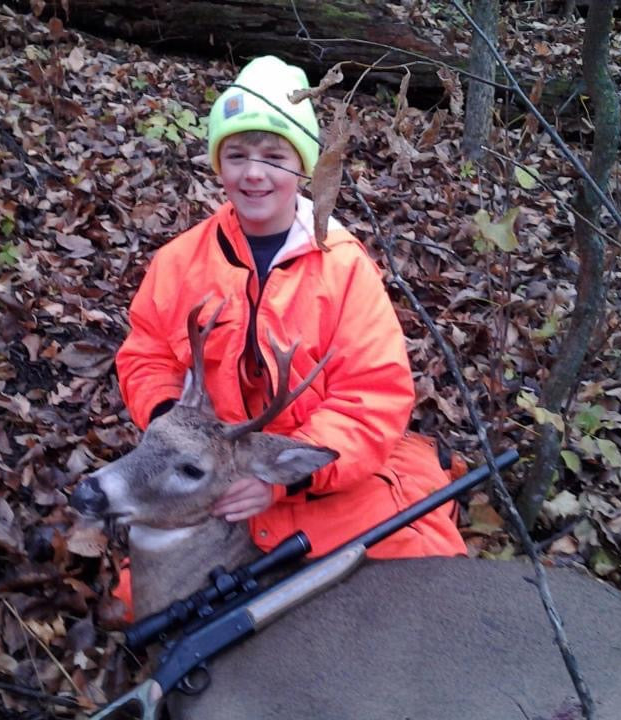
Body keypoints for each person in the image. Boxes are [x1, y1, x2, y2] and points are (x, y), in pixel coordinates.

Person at [115, 55, 466, 567]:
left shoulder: (345, 269)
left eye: (275, 156)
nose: (254, 173)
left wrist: (276, 478)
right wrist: (177, 429)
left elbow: (372, 397)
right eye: (236, 155)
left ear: (304, 165)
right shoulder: (178, 262)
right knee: (142, 605)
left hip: (313, 480)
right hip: (203, 475)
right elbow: (145, 355)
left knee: (417, 562)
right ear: (218, 165)